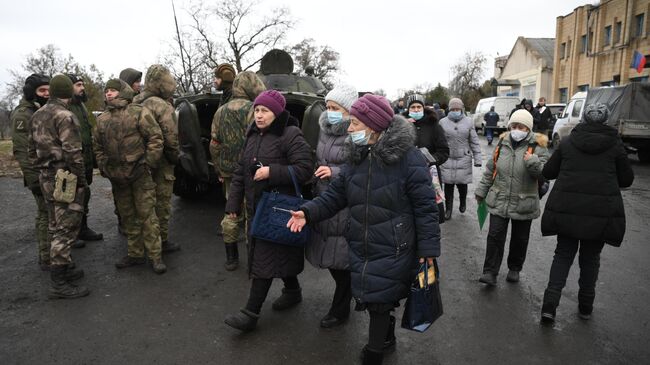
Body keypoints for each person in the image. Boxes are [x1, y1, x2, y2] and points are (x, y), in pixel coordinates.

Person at [287, 94, 441, 365]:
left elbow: (425, 208)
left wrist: (428, 251)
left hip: (394, 244)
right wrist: (307, 212)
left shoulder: (409, 159)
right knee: (374, 298)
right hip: (362, 242)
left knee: (380, 299)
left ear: (373, 127)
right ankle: (386, 334)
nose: (349, 129)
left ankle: (374, 352)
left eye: (355, 124)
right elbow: (334, 196)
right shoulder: (356, 158)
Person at [223, 90, 313, 332]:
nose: (259, 115)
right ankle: (293, 291)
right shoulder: (252, 134)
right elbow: (241, 172)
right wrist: (233, 203)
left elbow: (305, 169)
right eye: (257, 110)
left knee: (264, 256)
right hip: (257, 208)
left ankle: (250, 314)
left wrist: (272, 171)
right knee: (277, 254)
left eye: (265, 111)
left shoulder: (290, 134)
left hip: (279, 209)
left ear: (277, 112)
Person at [539, 103, 634, 324]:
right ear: (606, 120)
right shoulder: (615, 145)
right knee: (590, 260)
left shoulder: (568, 142)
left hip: (567, 210)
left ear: (583, 118)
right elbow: (627, 179)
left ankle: (549, 306)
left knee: (562, 256)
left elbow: (548, 172)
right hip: (600, 214)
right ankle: (585, 307)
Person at [93, 79, 167, 274]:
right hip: (117, 177)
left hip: (140, 174)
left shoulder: (138, 112)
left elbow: (155, 138)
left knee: (147, 216)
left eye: (113, 91)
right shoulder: (102, 119)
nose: (109, 94)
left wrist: (148, 163)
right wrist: (104, 167)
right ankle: (135, 254)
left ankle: (155, 256)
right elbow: (97, 147)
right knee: (128, 217)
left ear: (122, 92)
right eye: (106, 91)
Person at [28, 74, 89, 299]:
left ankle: (64, 268)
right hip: (64, 178)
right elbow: (74, 153)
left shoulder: (37, 114)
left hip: (46, 176)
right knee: (66, 228)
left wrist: (40, 173)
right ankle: (59, 283)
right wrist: (81, 179)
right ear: (68, 92)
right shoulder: (66, 116)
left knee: (55, 224)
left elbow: (30, 150)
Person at [474, 110, 549, 286]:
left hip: (524, 201)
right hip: (499, 198)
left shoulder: (538, 145)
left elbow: (545, 174)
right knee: (494, 236)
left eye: (521, 127)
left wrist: (532, 161)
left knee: (520, 238)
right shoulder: (502, 143)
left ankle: (514, 268)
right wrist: (481, 191)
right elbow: (490, 170)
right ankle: (490, 272)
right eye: (513, 126)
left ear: (528, 128)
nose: (516, 130)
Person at [305, 84, 358, 328]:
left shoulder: (357, 132)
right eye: (328, 106)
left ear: (348, 110)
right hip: (324, 198)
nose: (330, 111)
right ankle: (347, 297)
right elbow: (319, 157)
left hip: (346, 201)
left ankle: (340, 310)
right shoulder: (324, 129)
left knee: (343, 260)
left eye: (335, 107)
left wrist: (334, 172)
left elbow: (361, 167)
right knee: (331, 255)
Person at [210, 71, 266, 271]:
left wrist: (218, 167)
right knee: (251, 213)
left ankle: (231, 257)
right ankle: (254, 257)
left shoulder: (221, 111)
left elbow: (214, 143)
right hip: (250, 171)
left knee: (232, 211)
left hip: (227, 171)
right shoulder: (255, 110)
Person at [133, 65, 181, 253]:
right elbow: (171, 138)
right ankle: (161, 241)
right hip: (160, 162)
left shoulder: (135, 101)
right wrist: (175, 157)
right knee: (161, 203)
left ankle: (142, 242)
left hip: (138, 160)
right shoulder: (161, 105)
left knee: (143, 203)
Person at [11, 74, 50, 270]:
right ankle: (47, 257)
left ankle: (51, 253)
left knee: (49, 214)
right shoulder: (23, 115)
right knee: (45, 214)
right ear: (31, 92)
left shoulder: (38, 109)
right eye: (42, 91)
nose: (46, 94)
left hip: (47, 173)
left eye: (48, 90)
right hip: (37, 175)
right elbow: (21, 151)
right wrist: (34, 179)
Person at [66, 74, 103, 243]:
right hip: (72, 162)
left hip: (85, 160)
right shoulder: (66, 107)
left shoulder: (80, 105)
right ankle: (70, 234)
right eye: (78, 85)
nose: (82, 88)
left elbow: (87, 134)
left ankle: (83, 229)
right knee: (71, 199)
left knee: (84, 195)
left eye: (82, 84)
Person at [402, 94, 449, 223]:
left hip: (429, 176)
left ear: (423, 108)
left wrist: (430, 159)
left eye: (418, 107)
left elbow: (444, 151)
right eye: (413, 107)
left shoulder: (434, 125)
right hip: (406, 175)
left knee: (429, 216)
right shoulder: (401, 125)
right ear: (408, 109)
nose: (416, 110)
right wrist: (401, 128)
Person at [439, 97, 482, 220]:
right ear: (449, 109)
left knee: (462, 185)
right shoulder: (442, 122)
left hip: (464, 157)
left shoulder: (469, 121)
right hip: (447, 158)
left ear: (462, 109)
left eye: (458, 108)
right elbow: (439, 141)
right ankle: (448, 210)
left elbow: (474, 141)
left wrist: (478, 159)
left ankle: (463, 202)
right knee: (448, 185)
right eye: (453, 109)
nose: (456, 111)